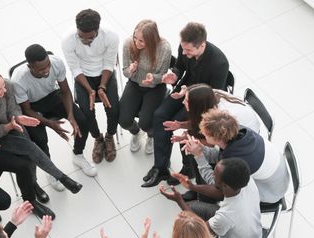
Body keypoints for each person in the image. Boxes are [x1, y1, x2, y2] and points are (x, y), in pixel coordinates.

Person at [0, 67, 84, 219]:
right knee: (29, 148)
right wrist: (10, 125)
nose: (4, 90)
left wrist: (17, 118)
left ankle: (34, 184)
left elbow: (14, 108)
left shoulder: (8, 85)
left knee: (29, 151)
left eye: (3, 86)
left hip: (15, 125)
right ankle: (60, 178)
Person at [142, 22, 229, 187]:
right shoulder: (185, 46)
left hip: (202, 102)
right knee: (160, 115)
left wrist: (187, 93)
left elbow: (213, 95)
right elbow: (180, 66)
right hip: (183, 90)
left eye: (188, 50)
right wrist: (174, 75)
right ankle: (160, 167)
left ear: (201, 45)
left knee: (187, 130)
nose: (183, 52)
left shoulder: (220, 63)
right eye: (183, 48)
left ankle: (188, 168)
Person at [11, 44, 97, 187]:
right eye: (41, 69)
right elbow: (26, 110)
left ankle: (78, 154)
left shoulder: (56, 62)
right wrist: (50, 124)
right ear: (30, 66)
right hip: (33, 106)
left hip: (53, 96)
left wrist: (70, 116)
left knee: (81, 120)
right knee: (39, 138)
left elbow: (65, 91)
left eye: (48, 66)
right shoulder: (18, 79)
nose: (46, 71)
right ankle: (50, 170)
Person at [165, 84, 261, 199]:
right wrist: (182, 127)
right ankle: (196, 183)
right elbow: (199, 124)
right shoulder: (209, 102)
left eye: (186, 101)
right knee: (193, 145)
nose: (183, 103)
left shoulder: (230, 155)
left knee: (196, 152)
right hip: (244, 135)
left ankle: (204, 196)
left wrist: (199, 154)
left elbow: (216, 183)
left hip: (255, 185)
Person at [161, 158, 262, 238]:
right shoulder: (246, 181)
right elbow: (219, 192)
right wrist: (192, 186)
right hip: (252, 236)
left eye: (215, 175)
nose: (212, 175)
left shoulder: (226, 216)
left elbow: (199, 231)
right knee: (191, 207)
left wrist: (179, 200)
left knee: (190, 235)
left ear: (225, 186)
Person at [179, 109, 289, 204]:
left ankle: (206, 204)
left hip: (270, 190)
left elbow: (215, 183)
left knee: (221, 186)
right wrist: (202, 149)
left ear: (217, 139)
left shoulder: (234, 160)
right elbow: (221, 155)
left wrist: (199, 156)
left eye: (205, 134)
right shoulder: (238, 131)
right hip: (279, 176)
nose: (202, 133)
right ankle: (201, 196)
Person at [62, 8, 120, 164]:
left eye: (88, 38)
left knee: (113, 109)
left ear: (97, 30)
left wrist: (102, 87)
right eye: (80, 36)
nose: (84, 40)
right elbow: (75, 68)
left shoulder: (111, 36)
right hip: (83, 77)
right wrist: (90, 90)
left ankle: (109, 137)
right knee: (86, 113)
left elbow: (109, 63)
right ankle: (98, 139)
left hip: (104, 74)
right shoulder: (68, 40)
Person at [119, 19, 171, 154]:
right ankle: (136, 132)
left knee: (146, 123)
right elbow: (125, 71)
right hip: (135, 84)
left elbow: (163, 76)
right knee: (123, 120)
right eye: (135, 38)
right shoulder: (128, 44)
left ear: (152, 40)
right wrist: (130, 70)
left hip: (155, 87)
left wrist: (153, 79)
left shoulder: (164, 48)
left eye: (141, 41)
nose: (136, 43)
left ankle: (151, 136)